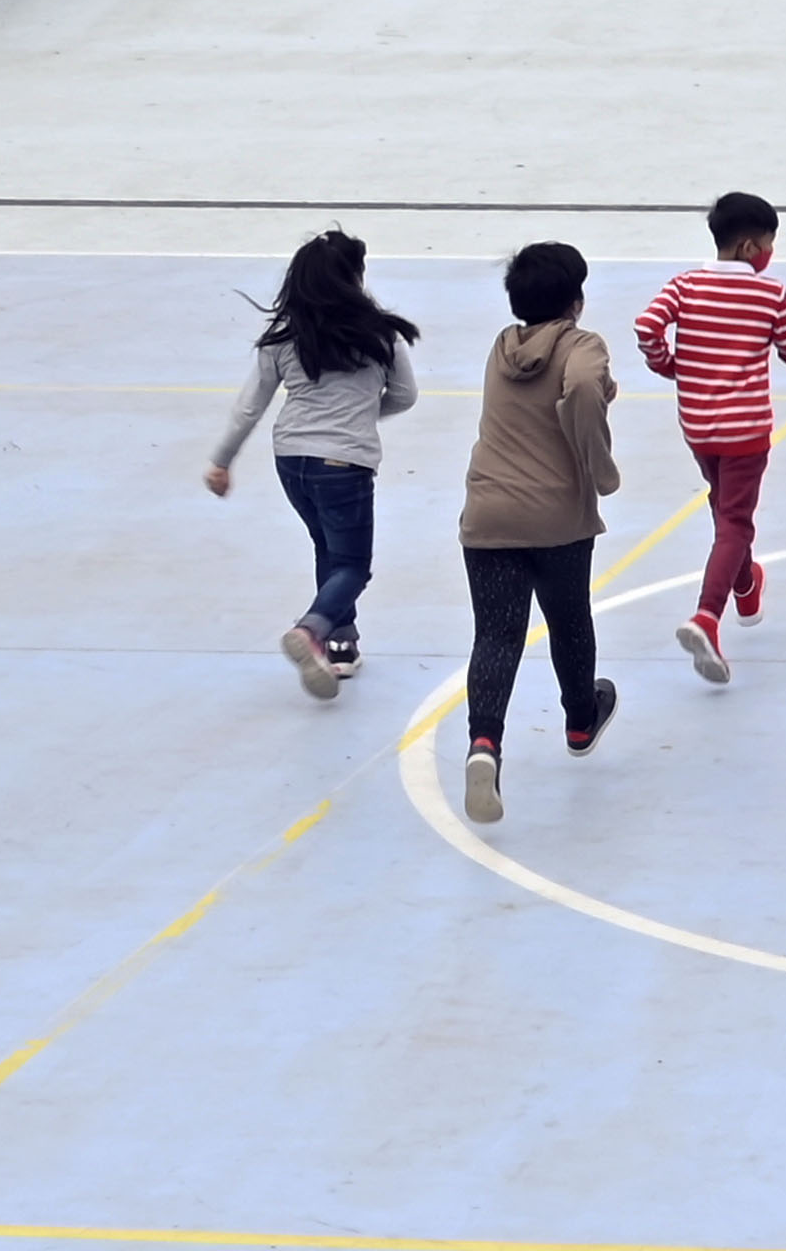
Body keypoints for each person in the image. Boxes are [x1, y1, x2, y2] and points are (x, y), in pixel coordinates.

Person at [206, 229, 425, 698]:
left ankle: (341, 644)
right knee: (353, 564)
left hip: (291, 459)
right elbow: (405, 396)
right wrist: (363, 415)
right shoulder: (378, 334)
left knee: (327, 545)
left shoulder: (283, 336)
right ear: (355, 278)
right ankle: (311, 631)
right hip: (344, 462)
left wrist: (221, 462)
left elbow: (251, 405)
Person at [453, 241, 622, 821]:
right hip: (556, 518)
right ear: (576, 300)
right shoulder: (583, 345)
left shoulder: (501, 348)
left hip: (488, 513)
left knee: (496, 636)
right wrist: (600, 469)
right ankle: (579, 719)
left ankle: (484, 743)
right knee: (568, 619)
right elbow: (577, 388)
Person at [631, 192, 786, 684]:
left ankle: (747, 588)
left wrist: (671, 366)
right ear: (752, 246)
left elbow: (647, 326)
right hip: (746, 429)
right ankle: (708, 616)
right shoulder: (769, 294)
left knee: (723, 507)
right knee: (735, 521)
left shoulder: (685, 285)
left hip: (698, 425)